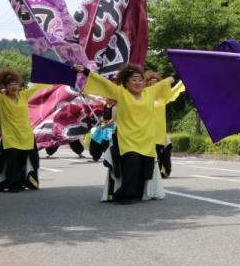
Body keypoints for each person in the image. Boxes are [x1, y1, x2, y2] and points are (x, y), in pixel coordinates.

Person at [75, 63, 176, 203]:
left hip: (146, 139)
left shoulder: (150, 92)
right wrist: (85, 71)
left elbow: (168, 81)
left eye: (140, 80)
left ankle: (138, 193)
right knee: (131, 163)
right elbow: (102, 82)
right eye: (133, 80)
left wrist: (183, 70)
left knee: (145, 169)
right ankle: (124, 194)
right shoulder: (121, 93)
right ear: (126, 83)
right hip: (127, 139)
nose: (138, 83)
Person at [0, 69, 49, 192]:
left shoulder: (24, 95)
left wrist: (52, 76)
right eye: (10, 85)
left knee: (24, 160)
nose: (14, 87)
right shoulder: (1, 98)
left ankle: (20, 182)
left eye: (15, 84)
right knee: (12, 159)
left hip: (26, 135)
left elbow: (39, 86)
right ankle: (11, 183)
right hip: (10, 136)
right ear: (5, 87)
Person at [144, 70, 185, 179]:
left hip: (161, 133)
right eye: (151, 83)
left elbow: (174, 91)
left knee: (165, 154)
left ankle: (164, 172)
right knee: (152, 156)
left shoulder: (163, 98)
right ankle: (152, 175)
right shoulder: (144, 97)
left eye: (156, 83)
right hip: (148, 133)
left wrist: (184, 80)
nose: (154, 85)